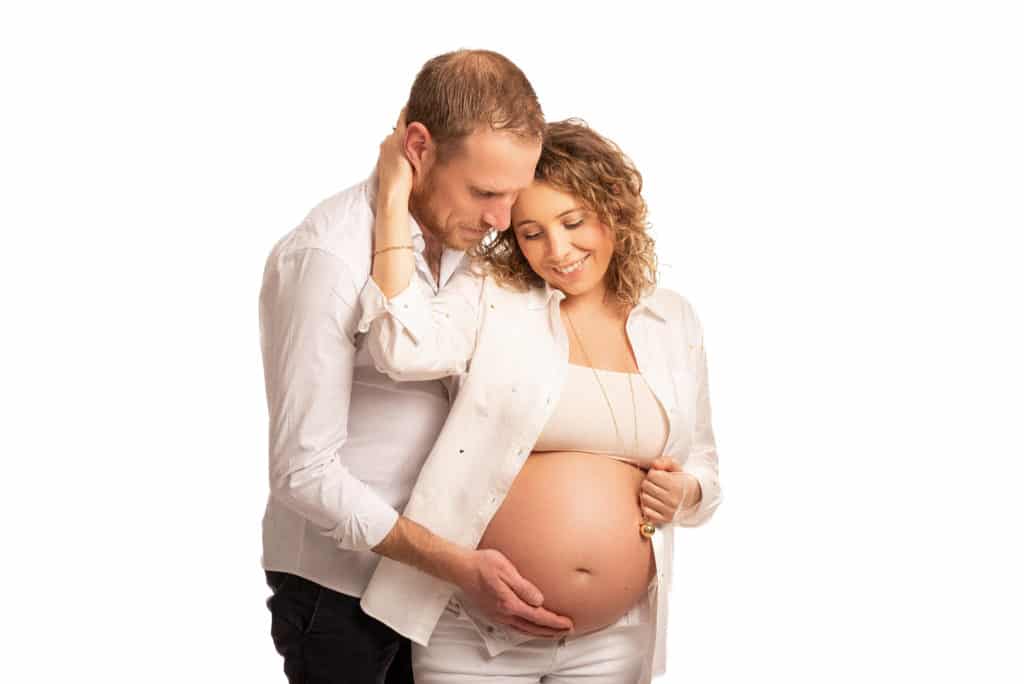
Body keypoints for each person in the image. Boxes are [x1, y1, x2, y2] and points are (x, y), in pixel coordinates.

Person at [358, 118, 722, 683]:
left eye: (573, 222)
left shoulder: (671, 318)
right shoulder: (492, 295)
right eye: (531, 233)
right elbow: (398, 348)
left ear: (615, 211)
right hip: (474, 631)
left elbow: (702, 465)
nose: (557, 250)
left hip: (615, 639)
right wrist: (393, 198)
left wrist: (686, 492)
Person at [258, 49, 574, 684]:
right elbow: (303, 471)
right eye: (484, 192)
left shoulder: (472, 245)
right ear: (419, 147)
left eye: (514, 193)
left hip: (436, 593)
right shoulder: (325, 257)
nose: (501, 220)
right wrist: (455, 563)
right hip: (338, 595)